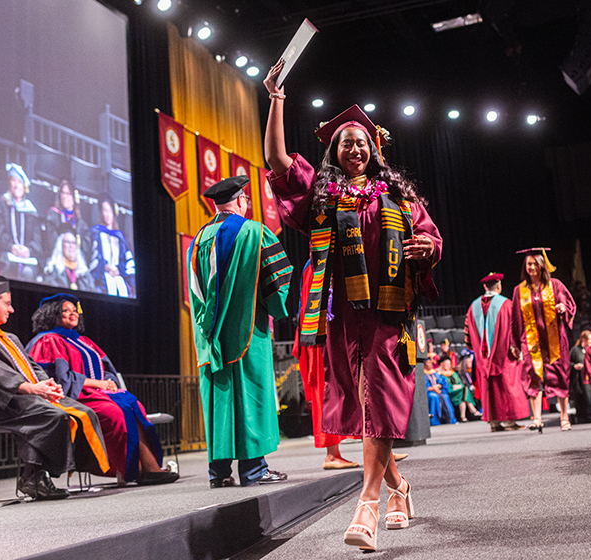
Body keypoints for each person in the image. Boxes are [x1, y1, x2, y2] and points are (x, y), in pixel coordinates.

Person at [265, 65, 442, 551]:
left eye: (362, 142)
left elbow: (431, 235)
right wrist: (277, 99)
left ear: (374, 150)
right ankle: (400, 489)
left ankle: (366, 507)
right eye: (345, 143)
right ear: (334, 153)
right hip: (341, 317)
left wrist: (426, 247)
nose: (355, 149)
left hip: (387, 315)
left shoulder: (398, 197)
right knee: (364, 409)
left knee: (378, 401)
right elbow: (278, 161)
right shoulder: (321, 199)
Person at [0, 276, 110, 500]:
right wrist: (32, 389)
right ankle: (33, 477)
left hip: (27, 399)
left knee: (83, 411)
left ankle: (38, 474)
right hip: (0, 405)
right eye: (7, 304)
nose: (12, 309)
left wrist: (46, 384)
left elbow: (32, 366)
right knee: (53, 415)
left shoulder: (9, 337)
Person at [188, 176, 292, 488]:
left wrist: (209, 329)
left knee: (219, 401)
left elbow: (195, 294)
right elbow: (277, 282)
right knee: (250, 395)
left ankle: (218, 474)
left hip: (210, 340)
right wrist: (276, 309)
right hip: (248, 332)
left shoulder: (197, 242)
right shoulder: (254, 232)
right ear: (242, 200)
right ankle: (254, 469)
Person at [27, 294, 178, 486]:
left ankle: (146, 467)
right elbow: (58, 380)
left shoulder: (84, 341)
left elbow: (106, 369)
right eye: (65, 311)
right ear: (51, 315)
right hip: (72, 397)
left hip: (97, 394)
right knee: (115, 413)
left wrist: (109, 382)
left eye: (74, 310)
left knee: (132, 404)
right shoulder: (48, 341)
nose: (72, 314)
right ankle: (135, 468)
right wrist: (97, 384)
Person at [292, 260, 359, 470]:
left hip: (333, 333)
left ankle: (383, 449)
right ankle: (332, 455)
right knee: (326, 391)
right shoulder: (316, 265)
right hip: (322, 336)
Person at [510, 248, 575, 432]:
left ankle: (564, 417)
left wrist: (563, 307)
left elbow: (567, 302)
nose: (531, 267)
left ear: (542, 266)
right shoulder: (519, 290)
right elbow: (515, 319)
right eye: (528, 264)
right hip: (530, 340)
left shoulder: (555, 285)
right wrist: (514, 343)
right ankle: (537, 418)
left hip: (554, 338)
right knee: (532, 375)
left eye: (535, 264)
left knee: (560, 375)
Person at [465, 273, 530, 432]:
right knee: (506, 386)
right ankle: (509, 422)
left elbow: (467, 335)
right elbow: (516, 329)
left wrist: (478, 351)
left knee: (490, 388)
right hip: (504, 355)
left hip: (483, 357)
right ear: (499, 286)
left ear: (485, 287)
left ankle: (494, 423)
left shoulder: (472, 307)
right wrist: (517, 348)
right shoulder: (507, 304)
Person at [0, 163, 42, 281]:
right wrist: (10, 247)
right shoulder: (2, 204)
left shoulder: (31, 210)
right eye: (13, 181)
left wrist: (29, 251)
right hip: (6, 253)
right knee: (9, 269)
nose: (16, 185)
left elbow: (37, 239)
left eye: (19, 182)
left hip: (27, 258)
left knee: (28, 272)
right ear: (9, 183)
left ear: (24, 186)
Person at [90, 196, 135, 297]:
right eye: (105, 211)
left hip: (119, 277)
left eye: (110, 211)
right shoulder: (96, 233)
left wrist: (119, 269)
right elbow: (93, 256)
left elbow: (127, 259)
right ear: (101, 213)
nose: (107, 215)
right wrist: (105, 267)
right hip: (103, 279)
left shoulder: (120, 237)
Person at [44, 180, 91, 257]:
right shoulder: (53, 217)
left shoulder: (81, 224)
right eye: (62, 193)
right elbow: (50, 243)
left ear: (74, 197)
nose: (64, 196)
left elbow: (85, 251)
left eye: (68, 193)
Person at [438, 354, 479, 423]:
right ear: (442, 364)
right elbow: (443, 385)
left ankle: (463, 417)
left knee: (462, 394)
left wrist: (459, 386)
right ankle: (472, 409)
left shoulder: (453, 373)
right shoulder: (440, 374)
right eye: (446, 364)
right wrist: (452, 387)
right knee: (464, 390)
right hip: (449, 390)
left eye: (449, 364)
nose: (448, 365)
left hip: (458, 391)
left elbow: (460, 383)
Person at [570, 330, 591, 423]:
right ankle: (583, 417)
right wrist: (574, 366)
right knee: (582, 396)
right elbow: (567, 363)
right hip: (579, 378)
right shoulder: (575, 350)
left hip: (590, 377)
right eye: (590, 340)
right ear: (584, 340)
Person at [424, 361, 456, 426]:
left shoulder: (436, 373)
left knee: (445, 396)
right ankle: (434, 421)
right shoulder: (423, 374)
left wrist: (438, 387)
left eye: (430, 363)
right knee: (433, 396)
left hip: (439, 391)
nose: (430, 364)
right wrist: (433, 388)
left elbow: (443, 383)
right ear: (424, 365)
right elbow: (423, 386)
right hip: (429, 392)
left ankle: (449, 419)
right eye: (428, 363)